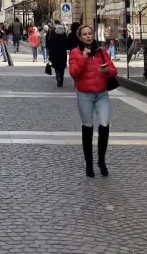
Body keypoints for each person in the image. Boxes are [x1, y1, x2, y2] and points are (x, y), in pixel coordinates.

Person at [69, 24, 117, 177]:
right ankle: (89, 163)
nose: (88, 36)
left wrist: (107, 70)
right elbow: (73, 72)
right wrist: (83, 58)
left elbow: (114, 70)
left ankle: (101, 161)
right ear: (80, 37)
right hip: (85, 95)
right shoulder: (75, 53)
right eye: (85, 34)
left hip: (101, 94)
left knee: (104, 124)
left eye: (90, 33)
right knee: (88, 127)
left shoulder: (101, 51)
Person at [47, 22, 70, 87]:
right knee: (62, 68)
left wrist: (50, 56)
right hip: (62, 54)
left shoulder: (53, 38)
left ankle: (58, 77)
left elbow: (50, 46)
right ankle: (61, 80)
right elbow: (67, 46)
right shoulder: (65, 37)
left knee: (56, 67)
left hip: (55, 54)